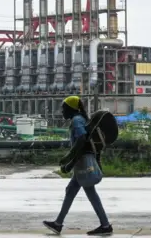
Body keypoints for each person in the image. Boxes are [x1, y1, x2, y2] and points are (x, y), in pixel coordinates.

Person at [43, 96, 113, 236]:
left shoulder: (76, 121)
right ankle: (58, 223)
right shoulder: (81, 119)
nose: (62, 111)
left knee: (87, 190)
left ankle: (105, 226)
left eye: (63, 108)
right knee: (71, 190)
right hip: (83, 161)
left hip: (83, 162)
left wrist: (69, 160)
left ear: (71, 108)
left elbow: (81, 140)